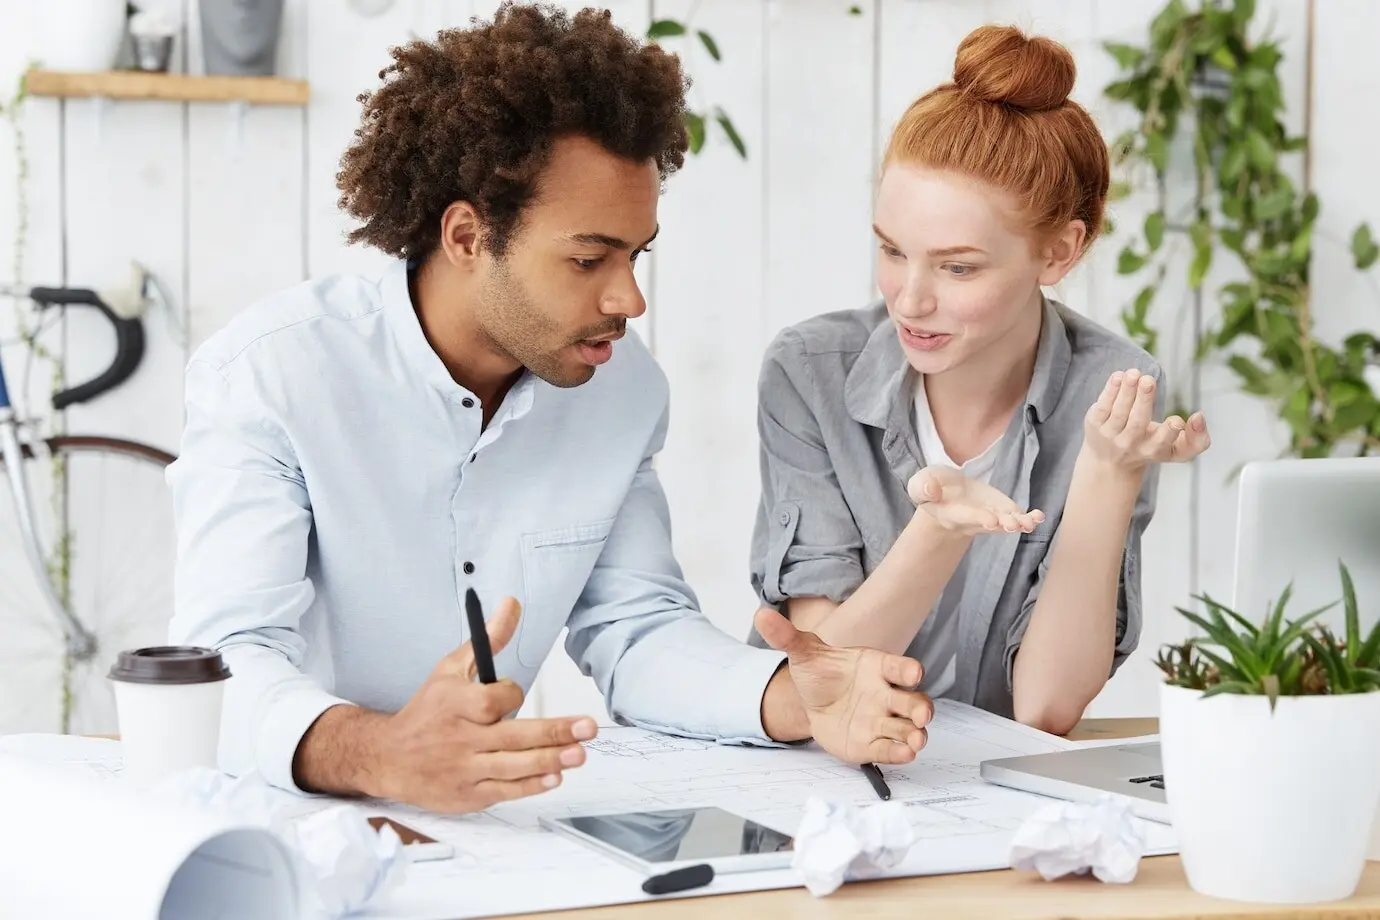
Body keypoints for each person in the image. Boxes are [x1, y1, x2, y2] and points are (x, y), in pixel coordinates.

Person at [165, 2, 934, 816]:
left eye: (635, 255)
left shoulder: (623, 391)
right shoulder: (273, 375)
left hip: (494, 841)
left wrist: (789, 697)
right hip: (281, 825)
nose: (629, 296)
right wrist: (382, 752)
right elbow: (222, 661)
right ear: (467, 236)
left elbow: (637, 631)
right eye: (587, 258)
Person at [748, 24, 1211, 736]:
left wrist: (1109, 475)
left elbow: (1047, 707)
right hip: (817, 774)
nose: (910, 299)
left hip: (993, 796)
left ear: (1058, 253)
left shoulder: (1114, 390)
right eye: (893, 251)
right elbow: (827, 674)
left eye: (957, 267)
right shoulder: (809, 373)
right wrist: (940, 529)